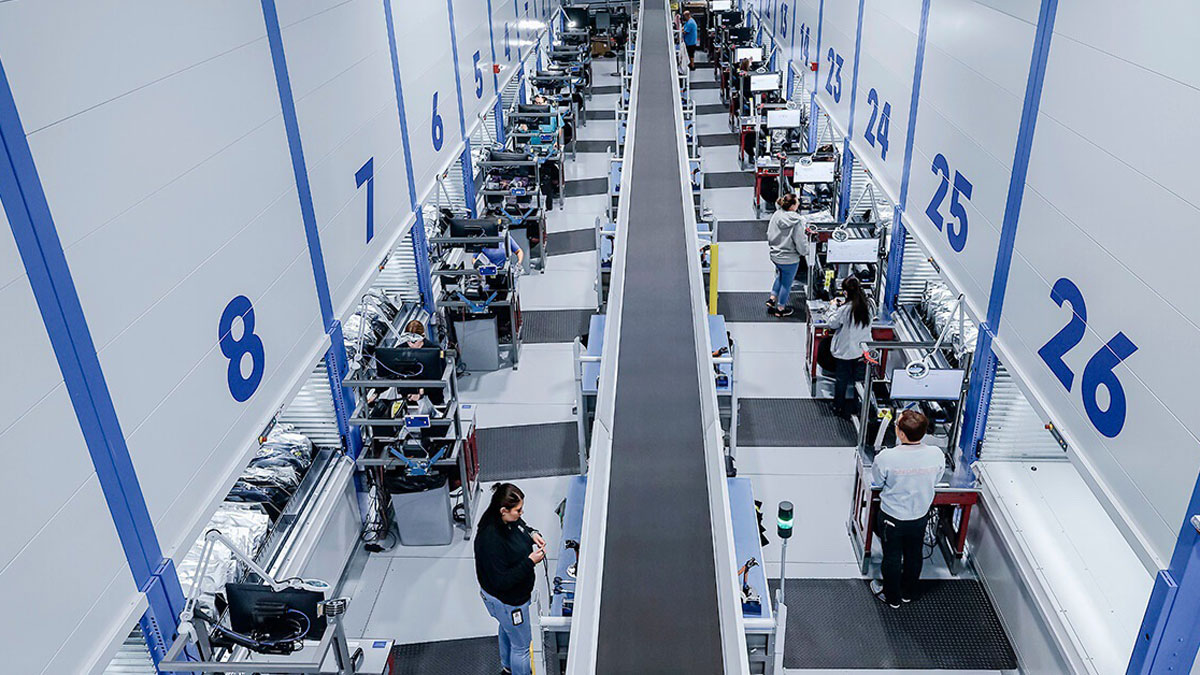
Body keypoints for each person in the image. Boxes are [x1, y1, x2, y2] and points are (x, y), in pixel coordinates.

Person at [869, 410, 945, 608]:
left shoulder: (887, 457)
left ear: (901, 434)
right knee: (914, 554)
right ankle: (908, 593)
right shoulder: (936, 454)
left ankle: (891, 597)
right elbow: (936, 479)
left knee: (892, 555)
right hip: (919, 515)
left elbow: (877, 482)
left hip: (892, 517)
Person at [475, 483, 547, 675]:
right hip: (508, 602)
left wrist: (533, 534)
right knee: (522, 647)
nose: (521, 513)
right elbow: (502, 581)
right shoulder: (491, 539)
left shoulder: (506, 520)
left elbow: (521, 526)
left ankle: (507, 667)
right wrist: (530, 562)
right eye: (518, 510)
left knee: (508, 630)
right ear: (503, 510)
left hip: (504, 605)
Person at [825, 276, 874, 416]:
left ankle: (838, 407)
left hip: (845, 352)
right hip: (862, 351)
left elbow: (832, 324)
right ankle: (859, 408)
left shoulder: (845, 310)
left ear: (846, 292)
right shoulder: (868, 305)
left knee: (841, 380)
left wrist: (832, 307)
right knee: (860, 382)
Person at [765, 193, 805, 317]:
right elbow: (799, 241)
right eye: (797, 202)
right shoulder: (797, 221)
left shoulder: (777, 215)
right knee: (786, 284)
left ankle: (772, 299)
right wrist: (805, 251)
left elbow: (769, 233)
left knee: (780, 275)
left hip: (775, 254)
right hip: (789, 258)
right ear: (793, 206)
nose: (799, 203)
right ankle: (780, 309)